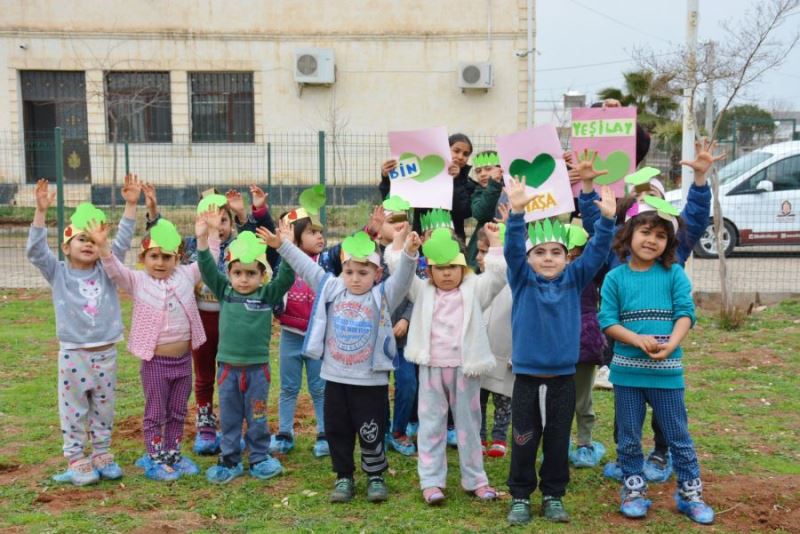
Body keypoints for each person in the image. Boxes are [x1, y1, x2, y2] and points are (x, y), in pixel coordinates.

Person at [578, 139, 725, 481]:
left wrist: (700, 183)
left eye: (653, 196)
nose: (650, 234)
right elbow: (593, 220)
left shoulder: (672, 254)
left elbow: (696, 216)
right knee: (626, 404)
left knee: (665, 406)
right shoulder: (617, 251)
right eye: (639, 197)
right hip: (624, 342)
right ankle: (627, 455)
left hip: (664, 349)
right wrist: (587, 188)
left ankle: (661, 452)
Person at [259, 222, 421, 503]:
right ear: (341, 271)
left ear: (377, 273)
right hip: (335, 378)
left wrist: (408, 253)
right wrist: (282, 245)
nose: (355, 278)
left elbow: (404, 279)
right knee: (337, 431)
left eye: (363, 272)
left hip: (370, 381)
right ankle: (344, 477)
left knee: (372, 429)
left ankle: (375, 476)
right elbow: (307, 268)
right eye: (349, 271)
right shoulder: (331, 289)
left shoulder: (382, 296)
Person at [503, 174, 616, 526]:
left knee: (555, 441)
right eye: (540, 252)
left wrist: (608, 221)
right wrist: (517, 215)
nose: (548, 258)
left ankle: (553, 495)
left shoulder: (573, 279)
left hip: (562, 381)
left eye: (556, 252)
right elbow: (511, 251)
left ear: (568, 258)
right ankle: (520, 495)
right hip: (526, 380)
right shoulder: (522, 280)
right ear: (529, 257)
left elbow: (597, 251)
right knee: (523, 439)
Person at [598, 196, 714, 525]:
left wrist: (671, 343)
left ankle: (690, 494)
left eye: (661, 236)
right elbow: (607, 320)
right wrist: (636, 340)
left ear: (669, 243)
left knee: (678, 435)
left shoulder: (674, 274)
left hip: (667, 372)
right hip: (627, 374)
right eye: (646, 232)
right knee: (630, 435)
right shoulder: (615, 278)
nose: (652, 240)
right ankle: (634, 488)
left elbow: (685, 314)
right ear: (629, 234)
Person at [144, 184, 275, 455]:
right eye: (212, 219)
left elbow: (253, 239)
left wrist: (242, 215)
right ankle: (205, 423)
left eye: (224, 220)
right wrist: (154, 212)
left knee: (231, 375)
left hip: (231, 319)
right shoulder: (192, 245)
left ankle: (235, 426)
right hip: (200, 319)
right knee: (204, 374)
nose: (220, 225)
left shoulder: (238, 246)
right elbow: (163, 239)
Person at [26, 176, 140, 486]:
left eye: (93, 239)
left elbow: (122, 243)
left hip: (106, 352)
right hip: (74, 354)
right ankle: (77, 458)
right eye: (81, 239)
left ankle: (102, 453)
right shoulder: (58, 272)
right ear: (66, 246)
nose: (88, 244)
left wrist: (131, 205)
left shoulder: (107, 268)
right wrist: (40, 213)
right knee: (73, 409)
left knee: (103, 407)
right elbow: (36, 251)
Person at [93, 208, 220, 481]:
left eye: (166, 257)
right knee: (155, 412)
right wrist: (103, 247)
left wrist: (206, 235)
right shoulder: (137, 281)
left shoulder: (186, 276)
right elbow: (114, 270)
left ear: (177, 258)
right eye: (154, 256)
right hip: (155, 364)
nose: (160, 262)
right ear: (143, 258)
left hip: (184, 362)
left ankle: (172, 453)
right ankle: (153, 457)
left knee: (177, 411)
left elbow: (211, 260)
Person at [386, 221, 506, 505]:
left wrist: (496, 243)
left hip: (465, 369)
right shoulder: (422, 290)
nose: (447, 273)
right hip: (431, 370)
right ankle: (430, 481)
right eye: (440, 268)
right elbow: (399, 274)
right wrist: (402, 245)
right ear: (430, 270)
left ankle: (475, 479)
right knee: (430, 426)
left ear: (463, 267)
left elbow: (499, 277)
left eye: (452, 267)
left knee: (468, 425)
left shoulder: (475, 289)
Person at [197, 228, 295, 484]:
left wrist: (285, 246)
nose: (243, 279)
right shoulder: (225, 293)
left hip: (257, 373)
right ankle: (230, 459)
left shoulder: (266, 295)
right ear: (228, 274)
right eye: (237, 273)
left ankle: (259, 457)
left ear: (262, 276)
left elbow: (286, 277)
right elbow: (207, 269)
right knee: (229, 417)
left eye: (251, 273)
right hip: (228, 371)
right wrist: (201, 241)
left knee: (257, 417)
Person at [270, 197, 330, 458]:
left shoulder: (326, 261)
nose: (319, 237)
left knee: (319, 387)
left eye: (320, 232)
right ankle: (284, 433)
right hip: (291, 336)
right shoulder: (283, 259)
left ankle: (324, 433)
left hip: (318, 337)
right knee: (288, 387)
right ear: (294, 237)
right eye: (311, 232)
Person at [566, 225, 609, 468]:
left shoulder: (589, 271)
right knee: (568, 399)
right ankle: (569, 443)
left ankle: (582, 443)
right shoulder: (552, 273)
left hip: (582, 340)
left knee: (580, 398)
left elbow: (602, 252)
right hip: (570, 340)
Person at [380, 133, 475, 241]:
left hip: (453, 241)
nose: (460, 157)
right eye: (456, 151)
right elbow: (392, 201)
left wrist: (457, 180)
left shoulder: (468, 184)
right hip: (421, 238)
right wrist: (386, 178)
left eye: (466, 154)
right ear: (445, 150)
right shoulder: (423, 175)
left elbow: (464, 212)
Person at [475, 224, 514, 458]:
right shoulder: (475, 282)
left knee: (503, 397)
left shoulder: (513, 286)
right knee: (477, 398)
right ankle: (477, 435)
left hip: (504, 352)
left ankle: (499, 436)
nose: (480, 257)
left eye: (485, 251)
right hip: (479, 353)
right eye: (479, 251)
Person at [466, 150, 504, 269]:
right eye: (478, 171)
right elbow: (480, 213)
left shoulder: (512, 188)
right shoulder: (478, 193)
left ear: (500, 169)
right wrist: (494, 185)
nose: (482, 174)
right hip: (482, 252)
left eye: (488, 169)